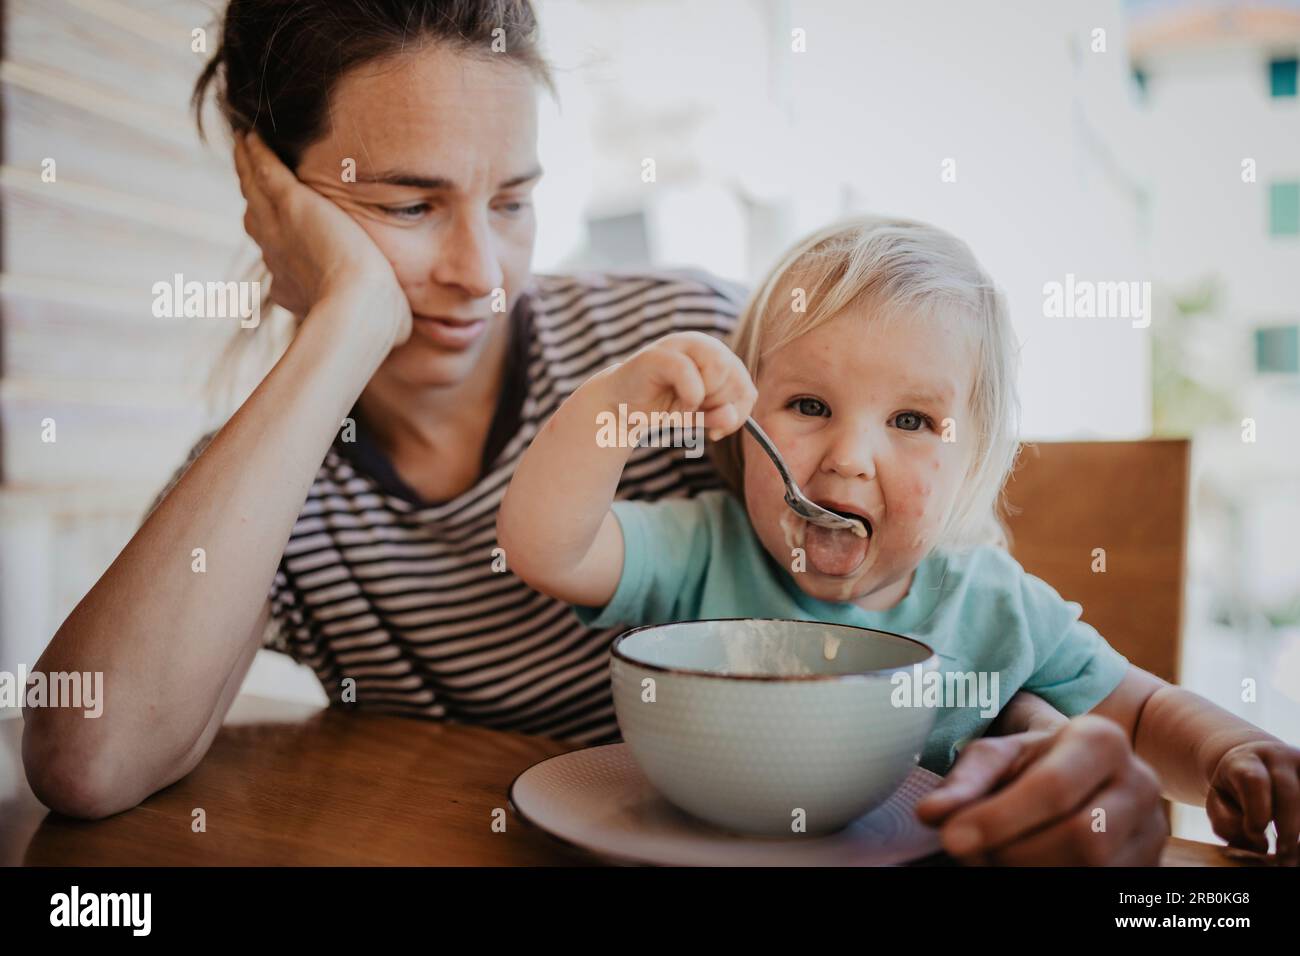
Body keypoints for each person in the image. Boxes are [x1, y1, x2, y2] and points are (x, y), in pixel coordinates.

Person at [25, 0, 1171, 866]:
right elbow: (85, 759)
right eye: (409, 205)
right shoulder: (272, 485)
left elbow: (911, 593)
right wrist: (342, 328)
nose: (483, 275)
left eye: (514, 200)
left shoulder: (686, 349)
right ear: (271, 188)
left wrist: (1036, 745)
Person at [498, 216, 1300, 864]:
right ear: (742, 431)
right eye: (808, 405)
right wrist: (621, 402)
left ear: (973, 462)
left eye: (911, 421)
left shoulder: (995, 606)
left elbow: (1140, 716)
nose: (849, 458)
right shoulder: (702, 545)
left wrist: (1234, 752)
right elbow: (547, 547)